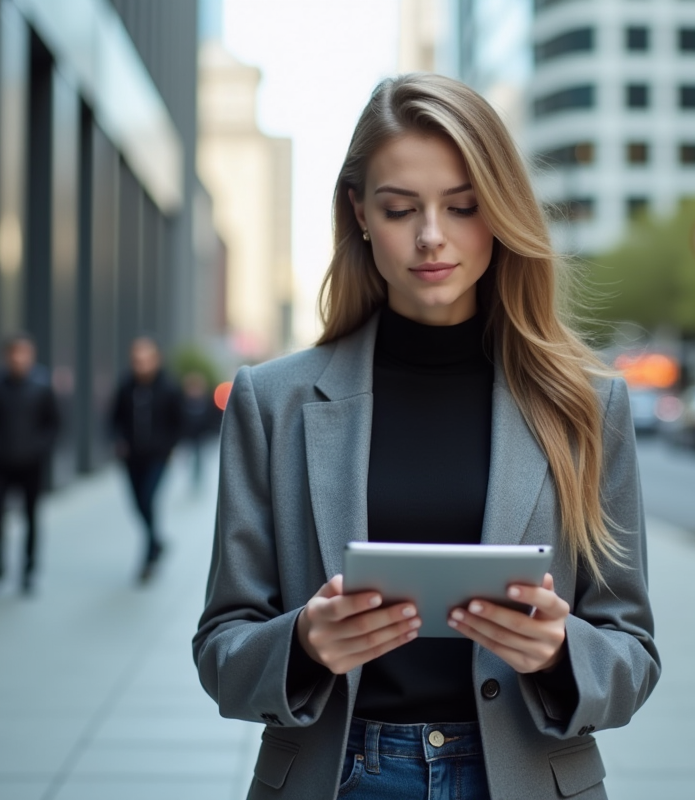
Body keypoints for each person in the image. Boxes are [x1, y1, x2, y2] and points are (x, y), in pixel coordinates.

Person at [193, 74, 659, 799]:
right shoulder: (272, 402)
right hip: (338, 776)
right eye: (401, 208)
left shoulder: (586, 406)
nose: (432, 235)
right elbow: (222, 650)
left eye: (464, 206)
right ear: (360, 215)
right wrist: (305, 645)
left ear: (500, 213)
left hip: (527, 778)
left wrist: (562, 653)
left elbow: (633, 652)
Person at [0, 333, 60, 595]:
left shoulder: (42, 385)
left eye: (24, 353)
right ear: (6, 356)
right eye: (14, 353)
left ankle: (29, 571)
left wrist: (39, 449)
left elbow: (54, 425)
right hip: (0, 463)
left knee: (31, 517)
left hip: (31, 464)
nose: (19, 359)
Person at [110, 336, 185, 583]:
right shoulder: (125, 386)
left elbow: (179, 421)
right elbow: (114, 418)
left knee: (147, 499)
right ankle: (157, 542)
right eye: (136, 360)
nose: (140, 365)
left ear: (156, 359)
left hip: (157, 457)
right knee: (137, 505)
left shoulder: (169, 387)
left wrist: (170, 447)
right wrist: (118, 441)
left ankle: (148, 557)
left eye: (145, 359)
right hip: (131, 457)